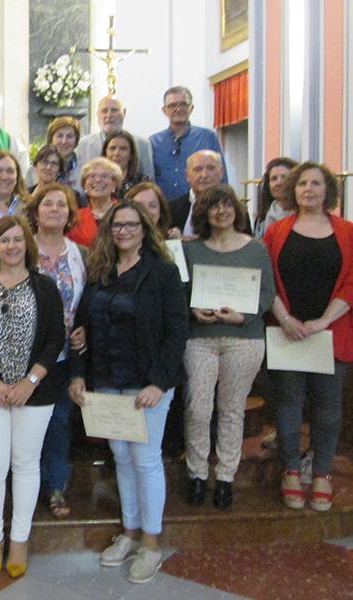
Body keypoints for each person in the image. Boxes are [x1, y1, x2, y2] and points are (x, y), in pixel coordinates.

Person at [68, 201, 188, 584]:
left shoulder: (164, 273)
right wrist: (78, 373)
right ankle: (130, 532)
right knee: (121, 456)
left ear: (144, 228)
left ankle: (151, 544)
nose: (123, 231)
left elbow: (176, 332)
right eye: (117, 226)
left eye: (131, 225)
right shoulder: (100, 272)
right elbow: (80, 328)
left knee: (146, 459)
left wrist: (160, 383)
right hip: (106, 379)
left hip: (146, 382)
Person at [0, 215, 65, 578]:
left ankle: (19, 537)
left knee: (25, 463)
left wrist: (29, 382)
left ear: (27, 245)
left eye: (18, 240)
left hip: (34, 392)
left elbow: (55, 340)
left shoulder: (45, 287)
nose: (12, 246)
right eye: (4, 241)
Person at [263, 162, 353, 513]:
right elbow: (266, 279)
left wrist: (322, 321)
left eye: (316, 183)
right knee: (288, 405)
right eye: (302, 183)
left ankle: (321, 474)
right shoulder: (277, 231)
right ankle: (289, 470)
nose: (308, 189)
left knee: (328, 408)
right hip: (287, 330)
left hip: (332, 331)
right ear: (293, 190)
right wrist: (285, 318)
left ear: (328, 191)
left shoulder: (347, 232)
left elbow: (351, 282)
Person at [182, 185, 275, 510]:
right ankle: (196, 473)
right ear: (204, 213)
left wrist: (244, 314)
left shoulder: (256, 248)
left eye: (226, 205)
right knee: (198, 408)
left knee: (232, 410)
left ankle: (224, 477)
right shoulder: (191, 249)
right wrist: (193, 309)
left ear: (236, 209)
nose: (220, 211)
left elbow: (266, 294)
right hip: (200, 337)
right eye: (213, 207)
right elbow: (182, 291)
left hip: (243, 338)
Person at [25, 182, 86, 518]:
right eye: (47, 204)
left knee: (59, 420)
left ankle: (56, 487)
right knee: (25, 422)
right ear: (35, 212)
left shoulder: (80, 254)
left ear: (69, 214)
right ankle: (25, 487)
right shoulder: (21, 248)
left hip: (64, 356)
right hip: (25, 355)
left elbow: (87, 302)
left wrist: (83, 330)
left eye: (61, 205)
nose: (54, 210)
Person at [150, 86, 227, 200]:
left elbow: (222, 177)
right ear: (164, 110)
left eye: (183, 104)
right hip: (164, 210)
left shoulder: (207, 137)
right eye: (172, 105)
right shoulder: (153, 142)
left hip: (201, 206)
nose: (178, 109)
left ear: (191, 108)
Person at [76, 95, 154, 179]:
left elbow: (149, 181)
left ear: (124, 113)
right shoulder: (83, 145)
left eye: (114, 110)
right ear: (97, 114)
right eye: (104, 111)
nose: (109, 115)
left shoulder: (142, 144)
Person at [169, 149, 227, 239]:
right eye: (197, 170)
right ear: (187, 176)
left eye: (210, 168)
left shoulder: (233, 210)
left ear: (221, 172)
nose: (204, 175)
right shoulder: (170, 209)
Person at [67, 157, 122, 247]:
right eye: (92, 176)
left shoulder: (126, 213)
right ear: (84, 185)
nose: (98, 180)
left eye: (104, 176)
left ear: (114, 184)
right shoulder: (74, 218)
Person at [254, 157, 299, 238]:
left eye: (284, 177)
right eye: (274, 178)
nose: (279, 183)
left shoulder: (304, 216)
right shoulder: (262, 219)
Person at [103, 131, 149, 200]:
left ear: (131, 155)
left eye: (123, 149)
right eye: (112, 148)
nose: (117, 153)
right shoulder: (97, 181)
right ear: (105, 153)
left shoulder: (142, 183)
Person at [46, 117, 81, 192]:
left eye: (69, 136)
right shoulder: (37, 169)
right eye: (60, 136)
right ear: (51, 139)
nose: (64, 141)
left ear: (76, 140)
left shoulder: (83, 170)